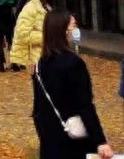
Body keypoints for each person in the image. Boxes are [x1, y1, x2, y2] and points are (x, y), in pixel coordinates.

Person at [32, 10, 113, 159]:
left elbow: (37, 109)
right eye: (73, 26)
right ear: (63, 30)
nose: (75, 31)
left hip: (50, 141)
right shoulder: (74, 63)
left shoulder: (40, 64)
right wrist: (100, 140)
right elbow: (85, 105)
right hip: (75, 140)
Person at [11, 0, 53, 73]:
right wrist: (46, 37)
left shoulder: (47, 7)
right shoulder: (30, 8)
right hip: (37, 58)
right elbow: (22, 34)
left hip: (50, 56)